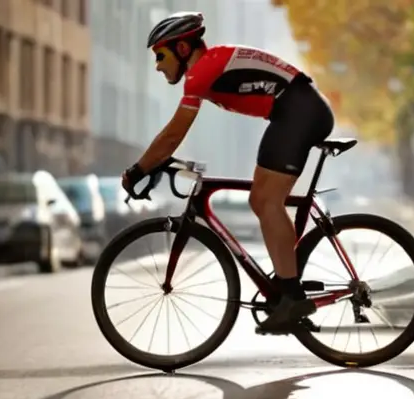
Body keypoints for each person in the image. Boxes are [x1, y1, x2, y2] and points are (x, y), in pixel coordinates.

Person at [121, 11, 336, 334]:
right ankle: (288, 287)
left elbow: (172, 135)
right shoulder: (211, 65)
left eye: (160, 55)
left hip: (299, 112)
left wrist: (139, 169)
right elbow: (172, 138)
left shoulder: (202, 72)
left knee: (266, 200)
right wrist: (156, 162)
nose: (157, 65)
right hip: (295, 111)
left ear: (182, 49)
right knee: (261, 200)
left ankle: (291, 296)